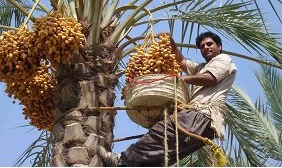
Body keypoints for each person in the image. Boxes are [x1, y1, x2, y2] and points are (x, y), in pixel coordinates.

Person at [98, 31, 237, 166]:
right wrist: (170, 42)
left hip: (202, 114)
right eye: (202, 46)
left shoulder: (223, 59)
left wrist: (180, 79)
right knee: (164, 154)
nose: (205, 47)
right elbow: (181, 61)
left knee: (161, 132)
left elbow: (210, 78)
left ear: (219, 47)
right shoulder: (202, 67)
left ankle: (121, 160)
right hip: (205, 125)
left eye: (209, 44)